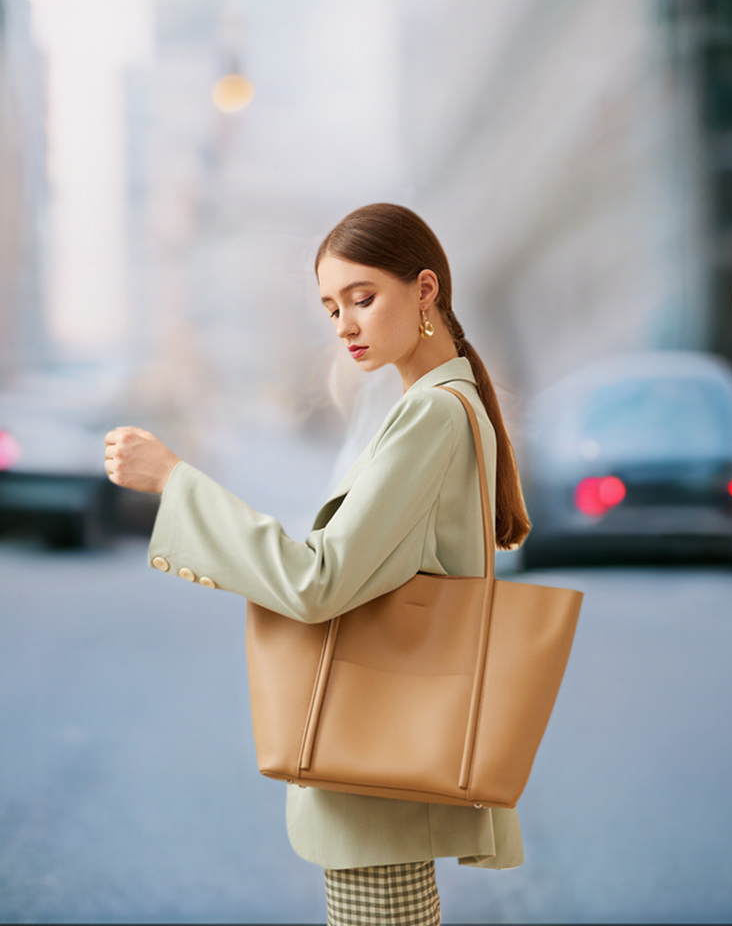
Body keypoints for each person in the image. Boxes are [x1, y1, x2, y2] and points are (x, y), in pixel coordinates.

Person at [104, 202, 532, 925]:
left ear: (425, 291)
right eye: (332, 307)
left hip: (379, 756)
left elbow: (319, 582)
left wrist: (175, 482)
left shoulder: (431, 413)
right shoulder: (433, 402)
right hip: (387, 745)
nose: (345, 325)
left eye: (363, 299)